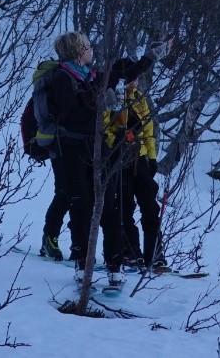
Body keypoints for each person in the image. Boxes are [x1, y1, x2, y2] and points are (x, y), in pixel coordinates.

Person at [38, 31, 159, 281]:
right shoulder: (63, 78)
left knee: (108, 205)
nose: (91, 49)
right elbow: (72, 116)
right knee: (81, 206)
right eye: (87, 46)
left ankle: (115, 265)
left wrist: (151, 57)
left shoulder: (89, 76)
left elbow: (122, 74)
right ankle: (83, 263)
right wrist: (102, 104)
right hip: (71, 150)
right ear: (77, 51)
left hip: (97, 148)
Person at [103, 73, 167, 272]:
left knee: (150, 206)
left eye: (136, 77)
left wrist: (152, 158)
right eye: (131, 77)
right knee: (125, 206)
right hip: (120, 159)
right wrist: (116, 141)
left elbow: (149, 130)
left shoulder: (139, 98)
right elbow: (105, 128)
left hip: (140, 158)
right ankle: (130, 251)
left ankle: (154, 254)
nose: (134, 81)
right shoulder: (111, 96)